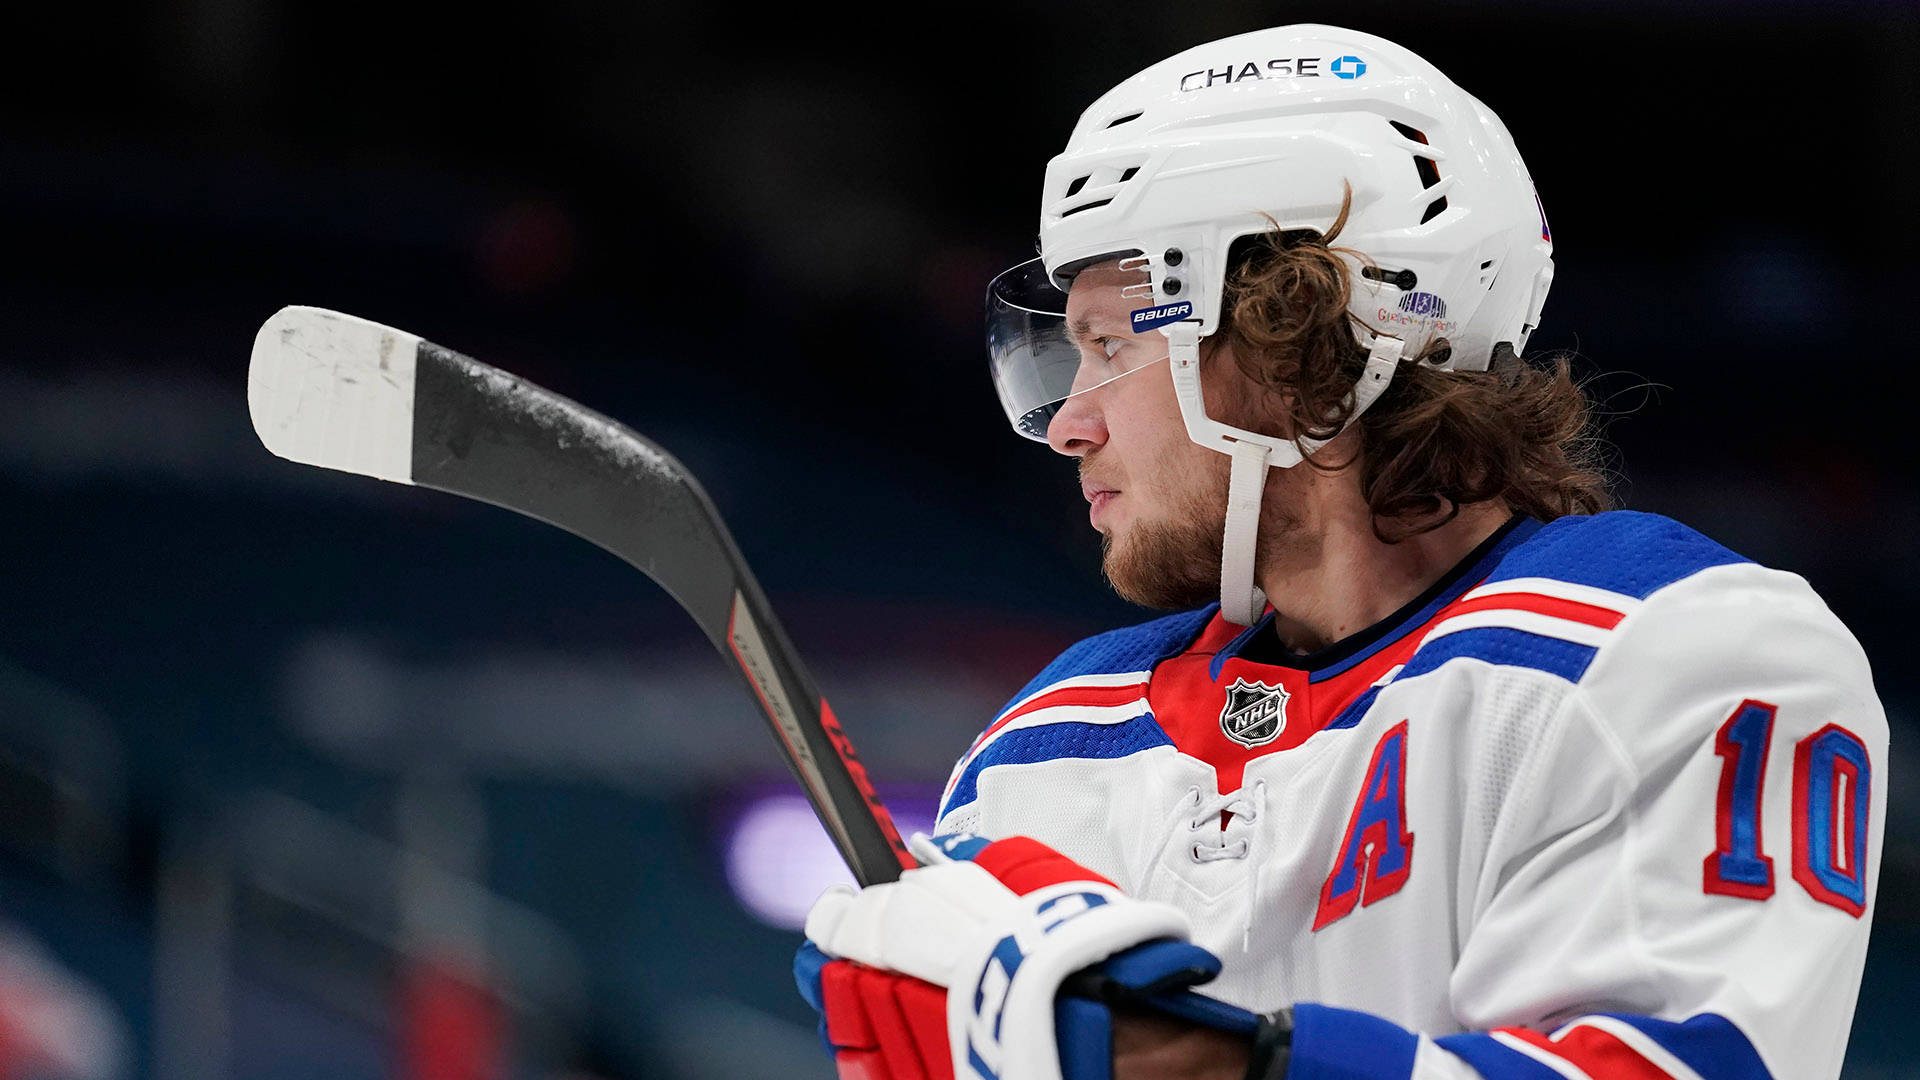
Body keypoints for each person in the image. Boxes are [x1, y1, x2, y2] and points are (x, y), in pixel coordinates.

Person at [795, 23, 1885, 1080]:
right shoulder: (1049, 748)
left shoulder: (1664, 651)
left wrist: (1196, 1061)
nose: (1070, 424)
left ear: (1298, 336)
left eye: (1113, 345)